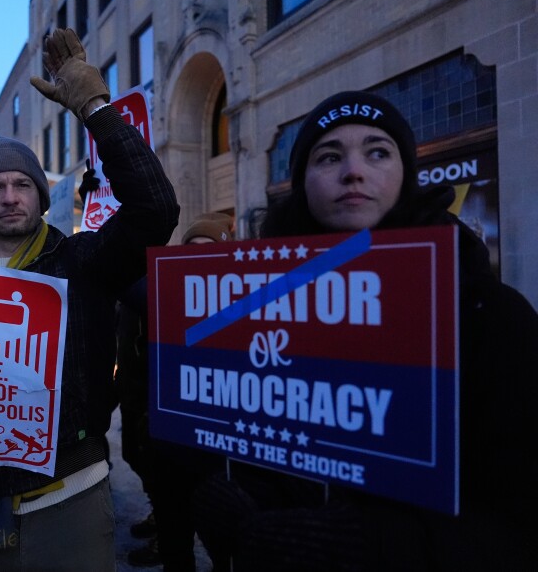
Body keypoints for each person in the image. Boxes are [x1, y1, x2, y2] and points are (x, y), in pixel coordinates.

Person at [192, 90, 538, 570]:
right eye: (329, 156)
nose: (353, 171)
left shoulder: (489, 316)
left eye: (377, 151)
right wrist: (221, 490)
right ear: (302, 182)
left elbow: (520, 525)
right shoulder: (258, 311)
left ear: (405, 174)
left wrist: (366, 544)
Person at [0, 27, 179, 571]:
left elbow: (156, 209)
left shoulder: (83, 261)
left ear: (40, 197)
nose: (10, 196)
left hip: (69, 495)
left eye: (22, 184)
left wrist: (94, 106)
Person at [120, 213, 233, 570]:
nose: (199, 258)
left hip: (218, 447)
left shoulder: (241, 299)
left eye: (209, 250)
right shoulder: (162, 291)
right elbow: (127, 284)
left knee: (222, 538)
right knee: (174, 535)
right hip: (169, 440)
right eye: (192, 249)